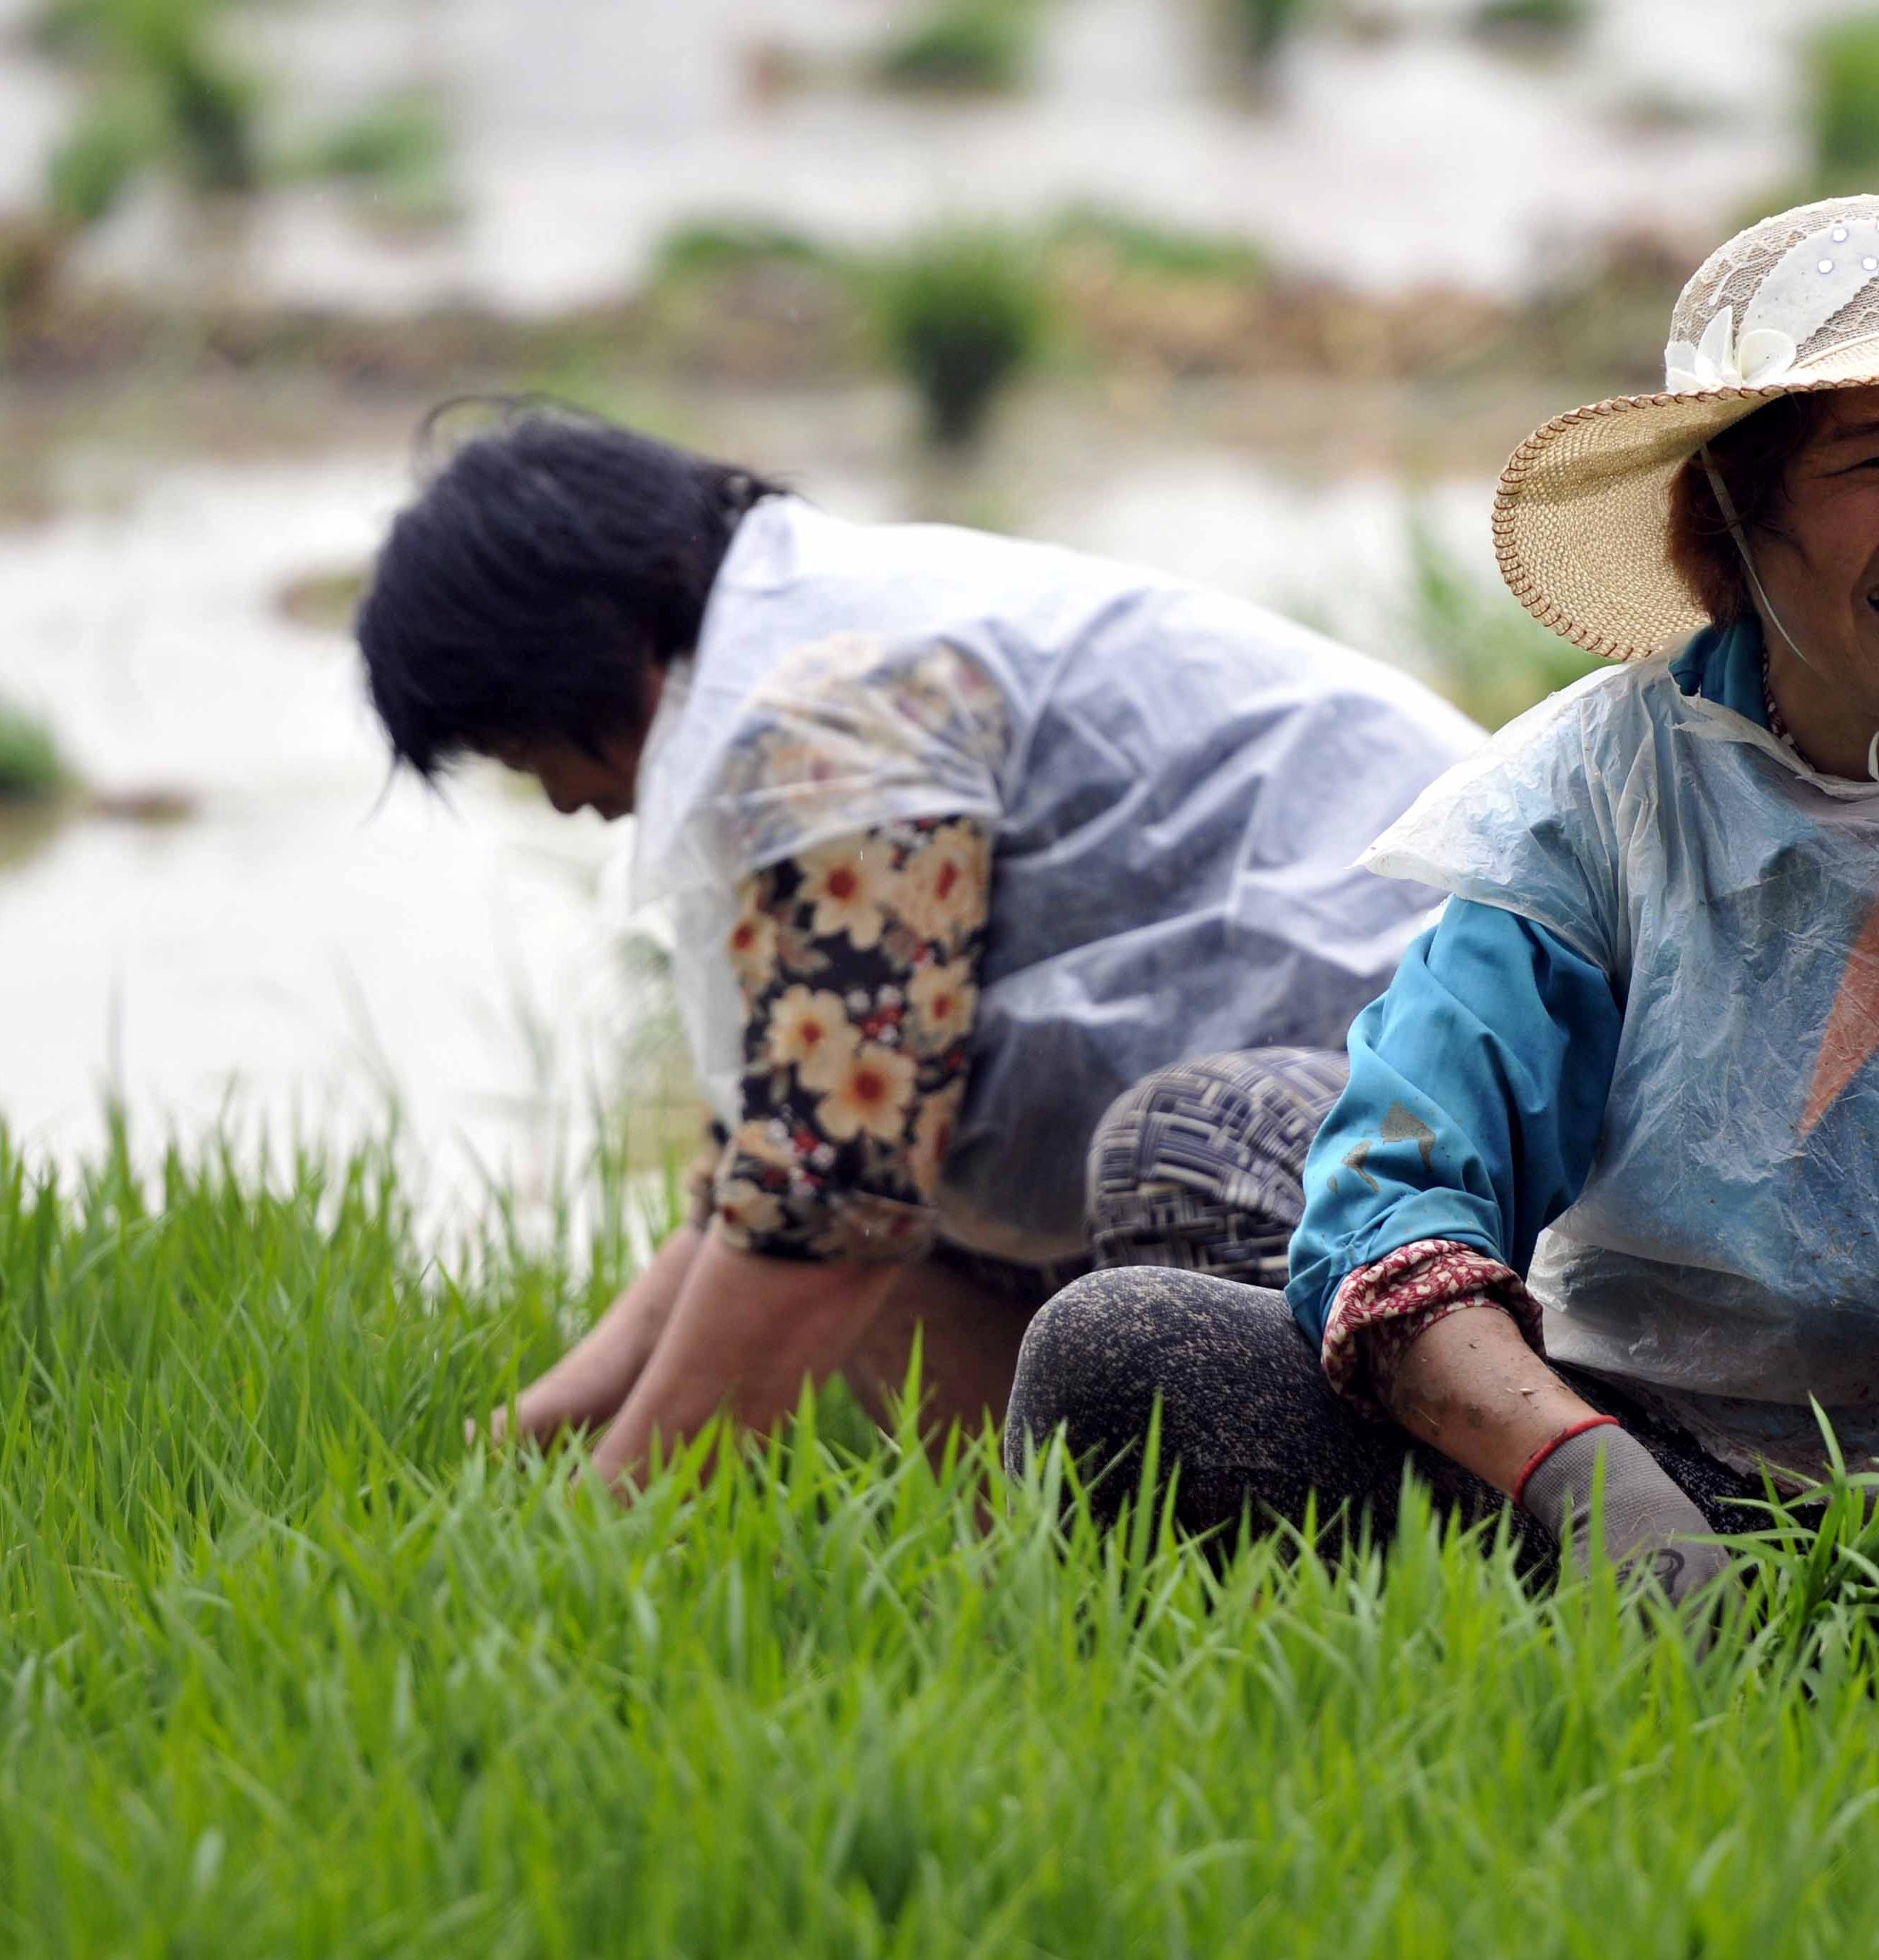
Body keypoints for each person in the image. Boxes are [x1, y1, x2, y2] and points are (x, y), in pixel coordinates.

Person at [1008, 196, 1879, 1688]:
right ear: (1734, 525)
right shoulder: (1588, 798)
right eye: (1875, 458)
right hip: (1636, 1460)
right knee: (1119, 1355)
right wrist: (1590, 1483)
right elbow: (1395, 1198)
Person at [354, 406, 1482, 1487]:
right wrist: (515, 1439)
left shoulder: (828, 712)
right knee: (903, 1194)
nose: (554, 800)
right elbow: (770, 1174)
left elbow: (833, 1197)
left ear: (575, 667)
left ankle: (1328, 1552)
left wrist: (593, 1532)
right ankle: (1070, 1573)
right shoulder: (817, 635)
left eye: (519, 748)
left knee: (917, 1199)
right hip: (1344, 1100)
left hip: (1456, 1127)